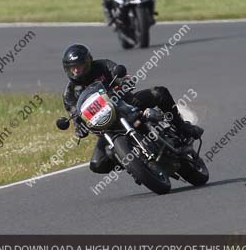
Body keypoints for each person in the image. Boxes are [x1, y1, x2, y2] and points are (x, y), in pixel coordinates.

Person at [60, 43, 204, 175]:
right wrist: (79, 128)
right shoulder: (69, 93)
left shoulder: (102, 66)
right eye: (73, 67)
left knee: (160, 93)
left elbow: (121, 75)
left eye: (80, 65)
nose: (77, 70)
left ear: (88, 61)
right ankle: (131, 162)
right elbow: (75, 115)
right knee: (97, 164)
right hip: (106, 127)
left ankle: (181, 126)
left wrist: (125, 82)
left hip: (127, 104)